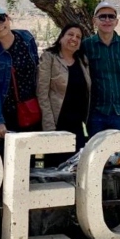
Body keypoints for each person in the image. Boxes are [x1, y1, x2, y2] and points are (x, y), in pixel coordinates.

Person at [0, 6, 41, 155]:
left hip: (29, 110)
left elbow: (37, 70)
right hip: (5, 114)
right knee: (5, 162)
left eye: (1, 19)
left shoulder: (26, 38)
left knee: (28, 162)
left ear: (8, 18)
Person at [81, 1, 120, 136]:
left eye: (111, 16)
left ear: (116, 21)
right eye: (102, 16)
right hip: (96, 113)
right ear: (94, 21)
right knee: (97, 155)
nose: (107, 20)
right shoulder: (86, 46)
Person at [38, 23, 91, 166]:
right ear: (61, 37)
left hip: (77, 126)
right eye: (70, 34)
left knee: (76, 168)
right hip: (56, 124)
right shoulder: (49, 57)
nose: (74, 38)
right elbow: (42, 94)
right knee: (54, 171)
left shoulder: (82, 61)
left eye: (78, 37)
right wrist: (49, 127)